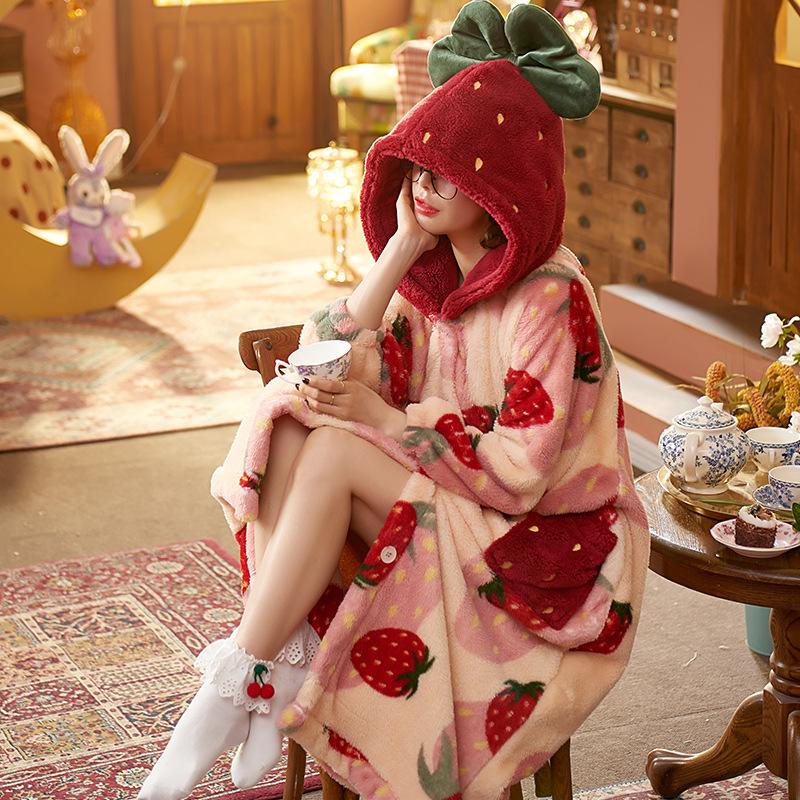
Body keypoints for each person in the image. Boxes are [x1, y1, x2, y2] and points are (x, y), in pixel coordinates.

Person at [136, 3, 651, 799]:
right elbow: (323, 347)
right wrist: (402, 247)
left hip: (545, 541)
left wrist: (384, 419)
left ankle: (237, 682)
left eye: (444, 174)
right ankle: (273, 662)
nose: (422, 187)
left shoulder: (550, 299)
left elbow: (522, 471)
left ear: (499, 184)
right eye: (415, 169)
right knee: (295, 421)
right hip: (459, 499)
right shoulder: (434, 273)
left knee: (336, 448)